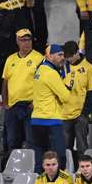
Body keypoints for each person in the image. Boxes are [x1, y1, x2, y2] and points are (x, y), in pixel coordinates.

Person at [1, 29, 43, 152]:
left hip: (30, 106)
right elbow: (5, 81)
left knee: (31, 141)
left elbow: (43, 83)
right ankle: (14, 167)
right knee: (12, 140)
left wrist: (35, 103)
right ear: (17, 41)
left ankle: (32, 168)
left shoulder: (39, 58)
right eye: (23, 40)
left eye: (28, 40)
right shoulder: (10, 59)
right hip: (13, 106)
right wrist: (5, 103)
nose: (26, 43)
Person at [30, 44, 69, 172]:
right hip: (51, 120)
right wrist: (66, 82)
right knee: (59, 158)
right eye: (59, 55)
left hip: (36, 121)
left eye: (63, 55)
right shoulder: (51, 73)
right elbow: (66, 97)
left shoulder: (39, 70)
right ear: (49, 56)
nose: (62, 58)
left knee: (40, 159)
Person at [60, 43, 92, 164]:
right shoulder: (62, 68)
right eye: (67, 56)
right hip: (64, 114)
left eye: (71, 55)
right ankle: (67, 170)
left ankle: (83, 170)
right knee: (65, 147)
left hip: (80, 115)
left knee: (82, 147)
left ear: (77, 52)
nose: (69, 59)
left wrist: (84, 114)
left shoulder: (89, 68)